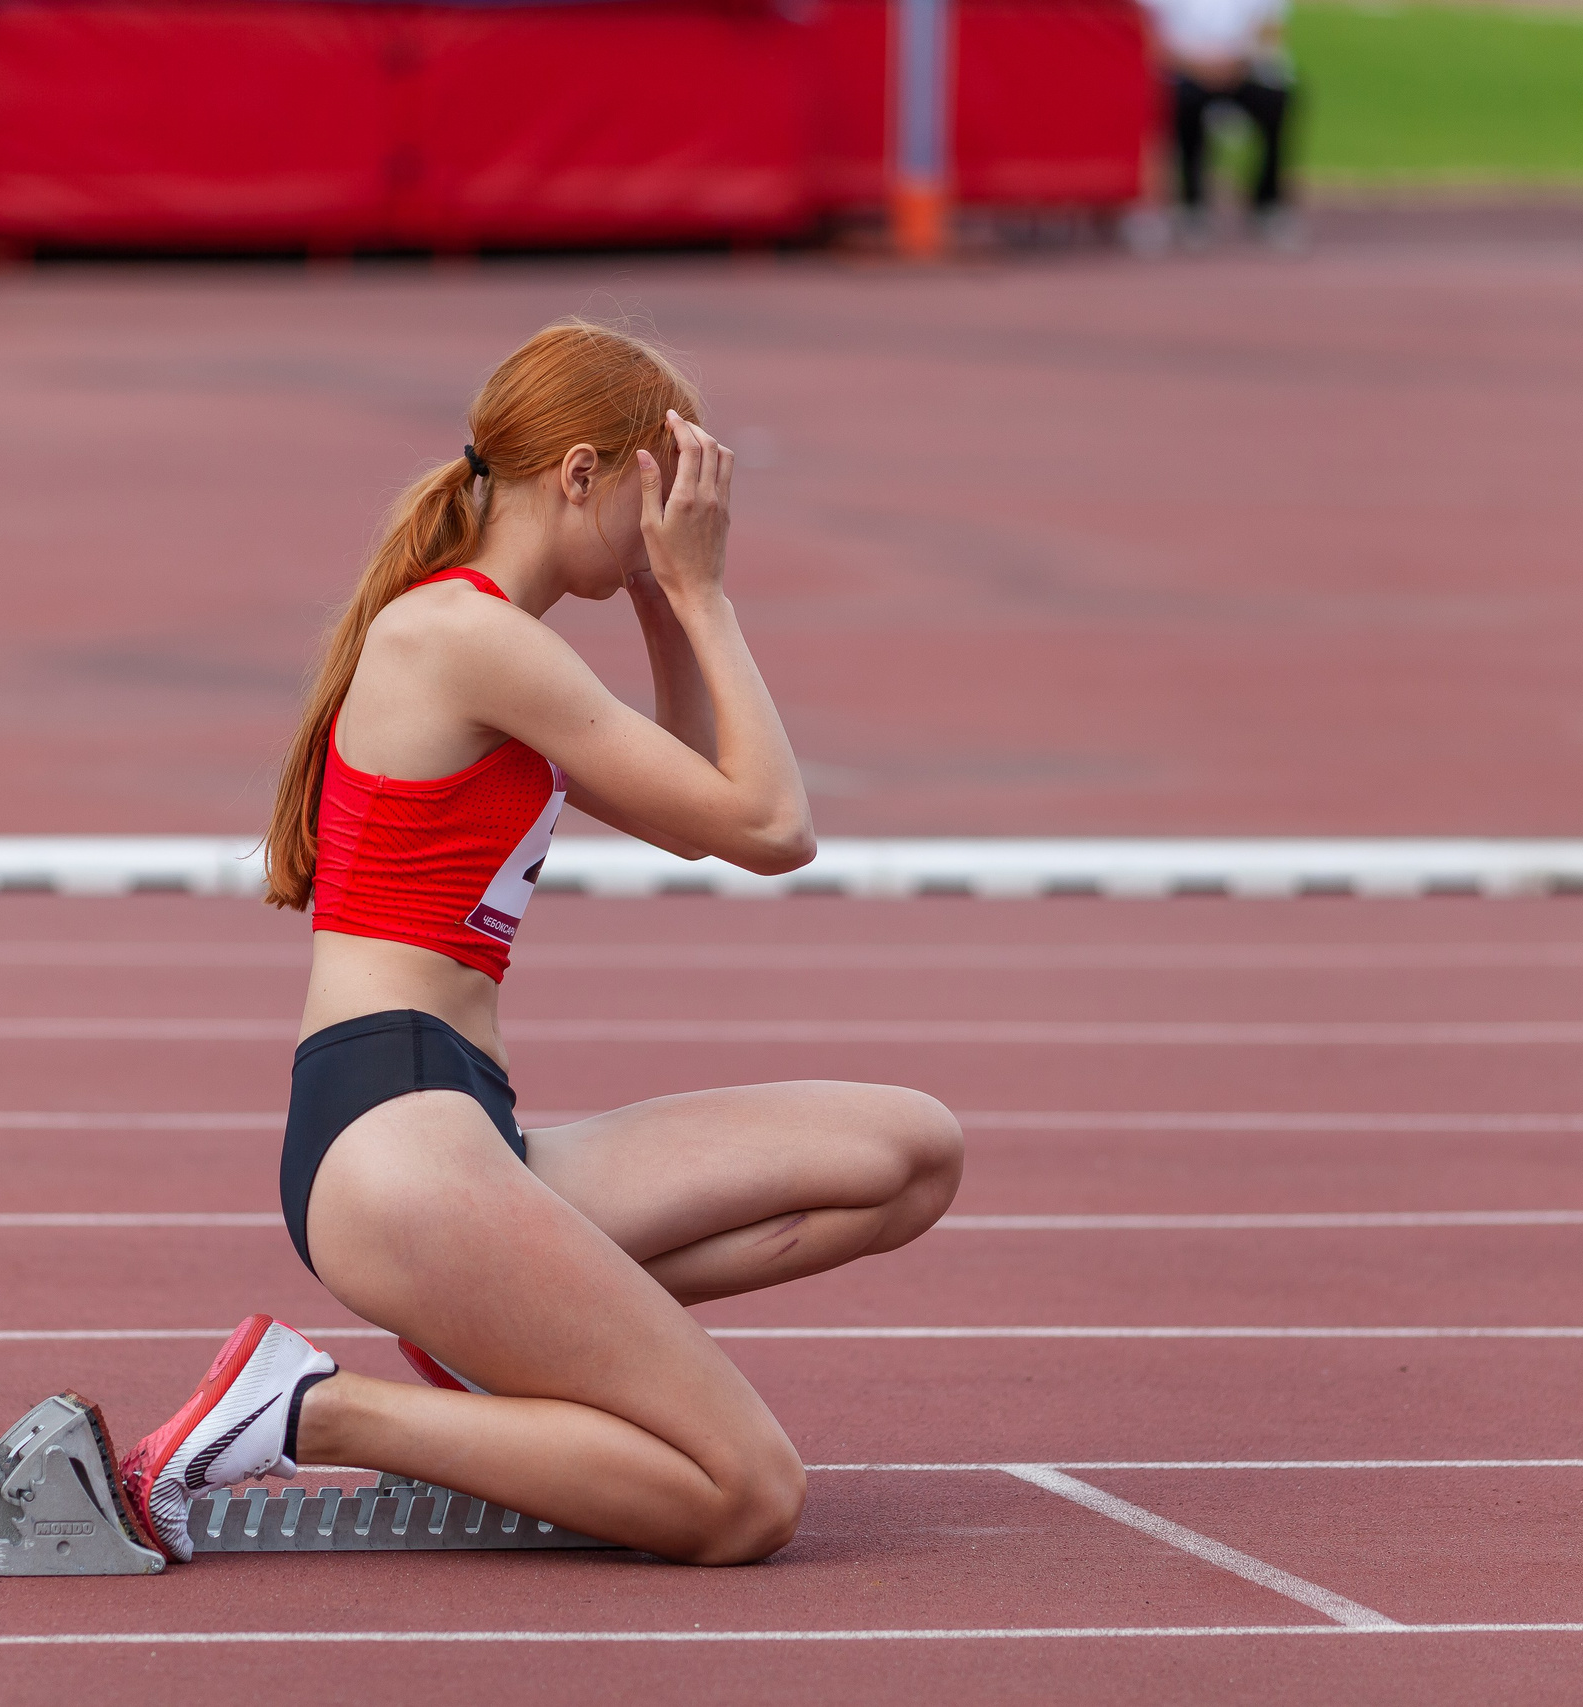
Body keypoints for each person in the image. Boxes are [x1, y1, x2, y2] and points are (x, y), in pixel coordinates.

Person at [119, 321, 964, 1566]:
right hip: (395, 1135)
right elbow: (774, 825)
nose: (672, 525)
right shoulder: (464, 636)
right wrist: (704, 590)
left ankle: (494, 1339)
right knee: (745, 1501)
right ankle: (310, 1408)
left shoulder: (491, 641)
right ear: (578, 474)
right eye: (654, 495)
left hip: (462, 1129)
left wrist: (660, 592)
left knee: (908, 1155)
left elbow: (702, 819)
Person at [1138, 0, 1300, 247]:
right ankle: (1192, 203)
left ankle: (1267, 203)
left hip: (1244, 70)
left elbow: (1269, 33)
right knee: (1182, 101)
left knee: (1277, 100)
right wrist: (1199, 67)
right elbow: (1152, 36)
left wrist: (1233, 65)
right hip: (1187, 71)